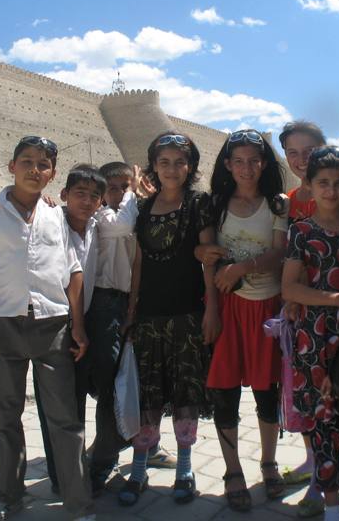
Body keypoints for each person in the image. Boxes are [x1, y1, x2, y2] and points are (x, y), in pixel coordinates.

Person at [0, 136, 95, 521]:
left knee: (65, 421)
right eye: (27, 162)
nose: (34, 170)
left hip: (52, 326)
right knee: (6, 418)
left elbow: (72, 269)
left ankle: (78, 503)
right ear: (12, 166)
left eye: (43, 164)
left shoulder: (56, 214)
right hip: (4, 326)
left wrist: (78, 325)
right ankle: (8, 497)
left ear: (52, 173)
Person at [118, 132, 218, 506]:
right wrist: (131, 311)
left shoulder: (199, 204)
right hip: (149, 317)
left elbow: (208, 255)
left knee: (184, 395)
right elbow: (140, 262)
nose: (172, 169)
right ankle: (140, 467)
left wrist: (212, 309)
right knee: (148, 395)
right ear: (153, 166)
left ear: (190, 166)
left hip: (188, 315)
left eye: (179, 161)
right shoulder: (144, 208)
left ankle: (185, 468)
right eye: (164, 162)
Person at [201, 129, 288, 512]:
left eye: (254, 160)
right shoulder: (215, 203)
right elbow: (206, 257)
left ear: (265, 163)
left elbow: (280, 251)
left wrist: (241, 267)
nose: (247, 167)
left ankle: (269, 463)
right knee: (225, 392)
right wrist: (212, 308)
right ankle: (233, 470)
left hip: (267, 307)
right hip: (228, 308)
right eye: (238, 160)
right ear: (226, 164)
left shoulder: (277, 204)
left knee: (267, 392)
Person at [281, 146, 339, 521]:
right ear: (309, 187)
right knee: (322, 422)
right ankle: (331, 504)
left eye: (338, 183)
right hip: (313, 338)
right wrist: (337, 299)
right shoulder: (300, 231)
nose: (331, 191)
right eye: (322, 183)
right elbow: (290, 289)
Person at [89, 161, 176, 491]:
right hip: (106, 305)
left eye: (124, 186)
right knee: (113, 385)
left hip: (141, 303)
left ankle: (146, 445)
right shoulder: (103, 216)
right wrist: (134, 190)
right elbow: (122, 225)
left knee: (147, 379)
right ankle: (103, 458)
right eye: (113, 187)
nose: (120, 193)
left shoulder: (142, 212)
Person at [33, 164, 105, 495]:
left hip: (85, 322)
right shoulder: (50, 222)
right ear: (63, 195)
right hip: (54, 324)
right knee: (59, 405)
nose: (87, 202)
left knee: (78, 401)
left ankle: (78, 468)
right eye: (80, 194)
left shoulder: (96, 227)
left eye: (94, 196)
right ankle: (63, 478)